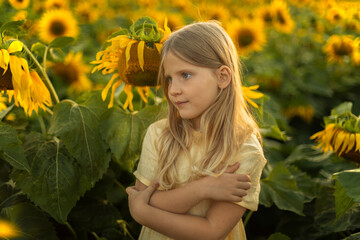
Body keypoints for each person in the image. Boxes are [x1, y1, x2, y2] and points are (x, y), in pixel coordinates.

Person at [126, 21, 267, 240]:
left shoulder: (244, 149)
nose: (173, 90)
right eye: (169, 78)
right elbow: (144, 196)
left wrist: (142, 212)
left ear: (222, 77)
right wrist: (206, 188)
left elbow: (210, 230)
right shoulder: (159, 134)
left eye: (186, 75)